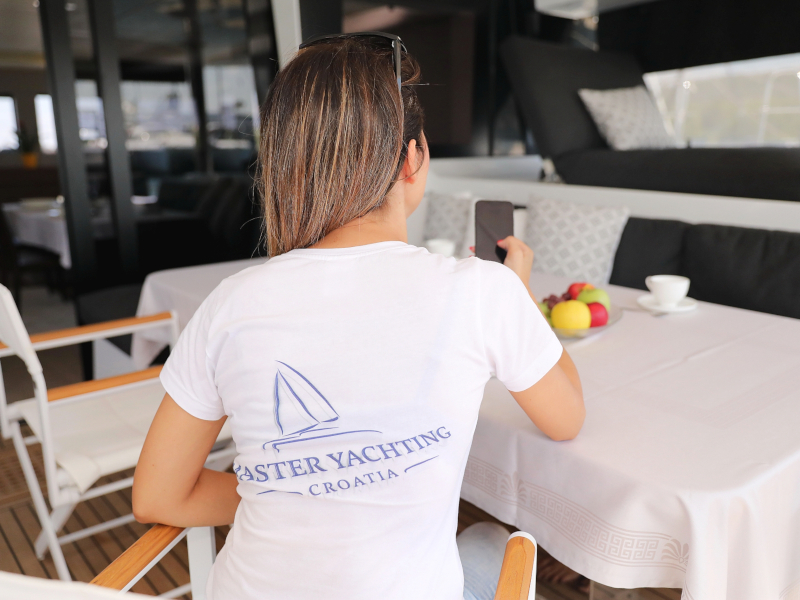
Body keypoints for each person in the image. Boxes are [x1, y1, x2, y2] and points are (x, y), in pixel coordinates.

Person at [132, 33, 584, 600]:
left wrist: (294, 493)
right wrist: (517, 295)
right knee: (491, 538)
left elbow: (157, 497)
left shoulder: (230, 303)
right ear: (413, 158)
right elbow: (566, 419)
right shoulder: (482, 290)